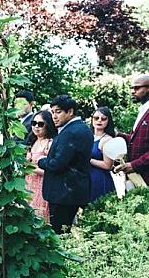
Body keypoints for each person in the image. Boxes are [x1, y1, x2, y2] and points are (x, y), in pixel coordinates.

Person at [38, 95, 93, 233]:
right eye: (52, 112)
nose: (54, 116)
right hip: (70, 191)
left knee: (59, 234)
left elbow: (57, 164)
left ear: (70, 112)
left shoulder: (71, 132)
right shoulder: (82, 128)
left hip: (63, 193)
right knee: (64, 233)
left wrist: (41, 161)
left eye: (58, 112)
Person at [25, 110, 56, 221]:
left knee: (40, 217)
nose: (36, 127)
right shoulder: (31, 142)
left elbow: (51, 170)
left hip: (42, 186)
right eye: (34, 123)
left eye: (40, 124)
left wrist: (30, 167)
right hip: (28, 184)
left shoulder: (50, 143)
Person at [89, 107, 117, 202]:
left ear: (108, 121)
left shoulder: (107, 140)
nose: (99, 121)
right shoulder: (89, 136)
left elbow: (108, 165)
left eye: (103, 118)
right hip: (86, 178)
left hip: (100, 179)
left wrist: (89, 160)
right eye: (96, 118)